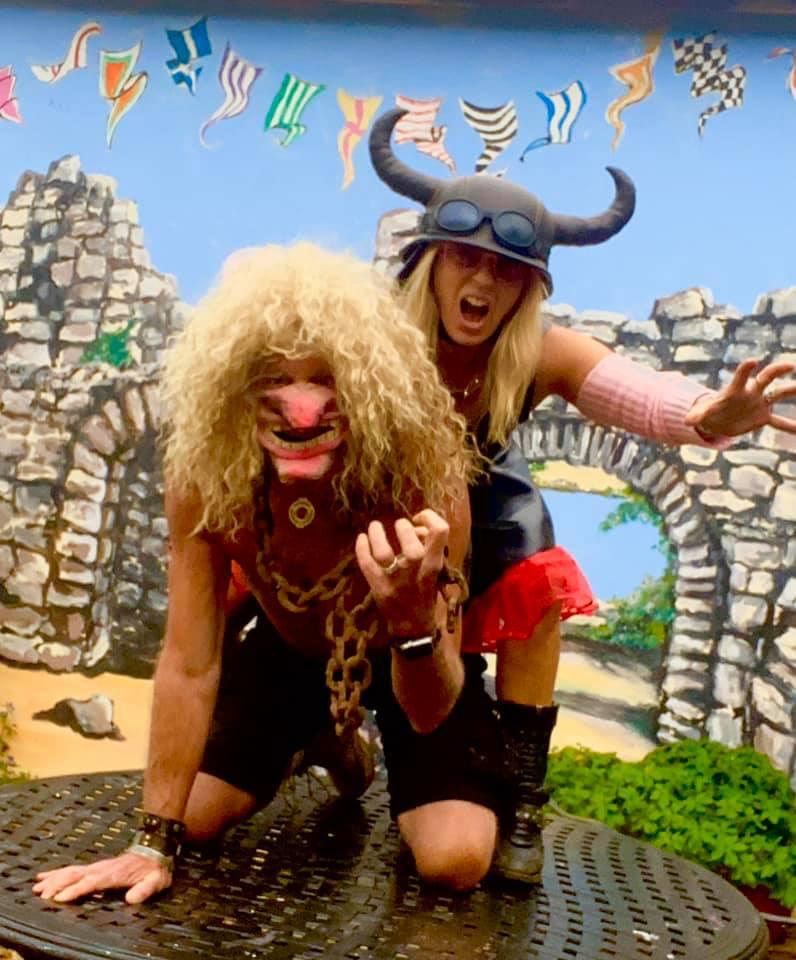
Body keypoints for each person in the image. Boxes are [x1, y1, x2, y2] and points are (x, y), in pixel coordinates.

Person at [369, 107, 796, 884]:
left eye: (507, 270)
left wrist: (711, 416)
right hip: (372, 528)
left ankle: (521, 800)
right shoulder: (369, 336)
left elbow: (641, 395)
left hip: (481, 519)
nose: (482, 281)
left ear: (529, 287)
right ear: (429, 260)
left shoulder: (539, 351)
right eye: (465, 257)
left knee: (537, 570)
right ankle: (318, 731)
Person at [33, 242, 515, 905]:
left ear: (367, 386)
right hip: (287, 651)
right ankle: (326, 738)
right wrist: (150, 844)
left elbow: (431, 711)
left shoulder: (424, 476)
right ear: (232, 384)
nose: (300, 409)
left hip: (411, 660)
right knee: (190, 820)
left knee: (454, 860)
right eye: (272, 378)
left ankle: (347, 737)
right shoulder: (206, 475)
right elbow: (190, 662)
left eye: (325, 380)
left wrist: (410, 620)